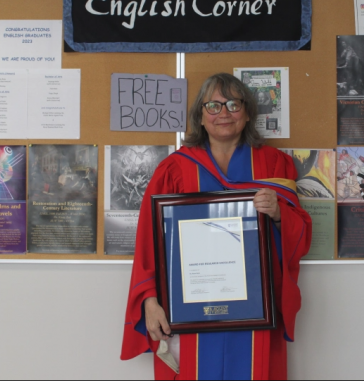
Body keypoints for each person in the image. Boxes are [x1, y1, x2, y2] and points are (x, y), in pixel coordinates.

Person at [121, 73, 313, 380]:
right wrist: (149, 300)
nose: (223, 113)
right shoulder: (175, 168)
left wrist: (279, 214)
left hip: (255, 308)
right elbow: (148, 240)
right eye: (213, 105)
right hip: (188, 310)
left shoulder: (274, 164)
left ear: (248, 112)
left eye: (233, 104)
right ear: (200, 115)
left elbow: (300, 236)